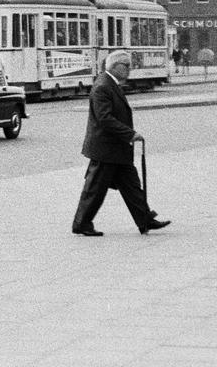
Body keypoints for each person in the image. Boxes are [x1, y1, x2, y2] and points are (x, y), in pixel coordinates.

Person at [72, 50, 171, 237]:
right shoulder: (103, 86)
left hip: (116, 150)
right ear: (115, 66)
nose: (129, 70)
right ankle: (81, 223)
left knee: (132, 186)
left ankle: (145, 220)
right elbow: (104, 118)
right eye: (126, 66)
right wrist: (130, 134)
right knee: (94, 190)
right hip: (106, 149)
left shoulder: (111, 84)